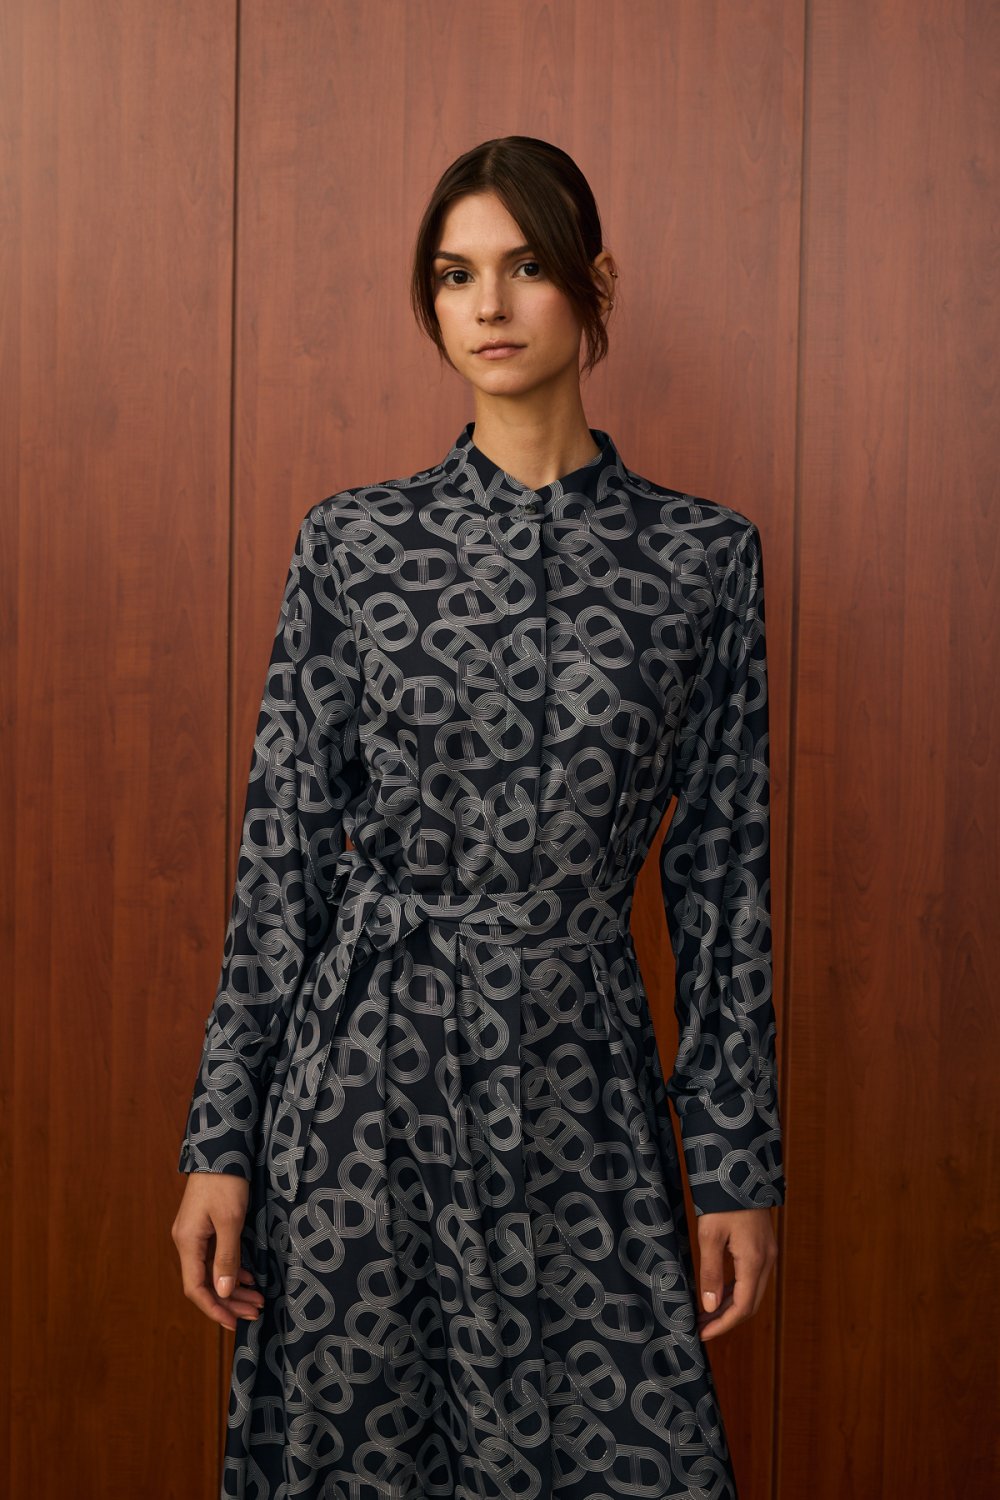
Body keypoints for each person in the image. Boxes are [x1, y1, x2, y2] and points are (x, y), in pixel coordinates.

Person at [172, 134, 785, 1500]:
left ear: (595, 285)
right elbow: (281, 861)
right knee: (365, 1461)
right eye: (455, 275)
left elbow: (723, 882)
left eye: (524, 268)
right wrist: (219, 1142)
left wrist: (737, 1165)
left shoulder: (701, 559)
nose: (489, 306)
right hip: (362, 1086)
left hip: (583, 1083)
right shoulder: (353, 545)